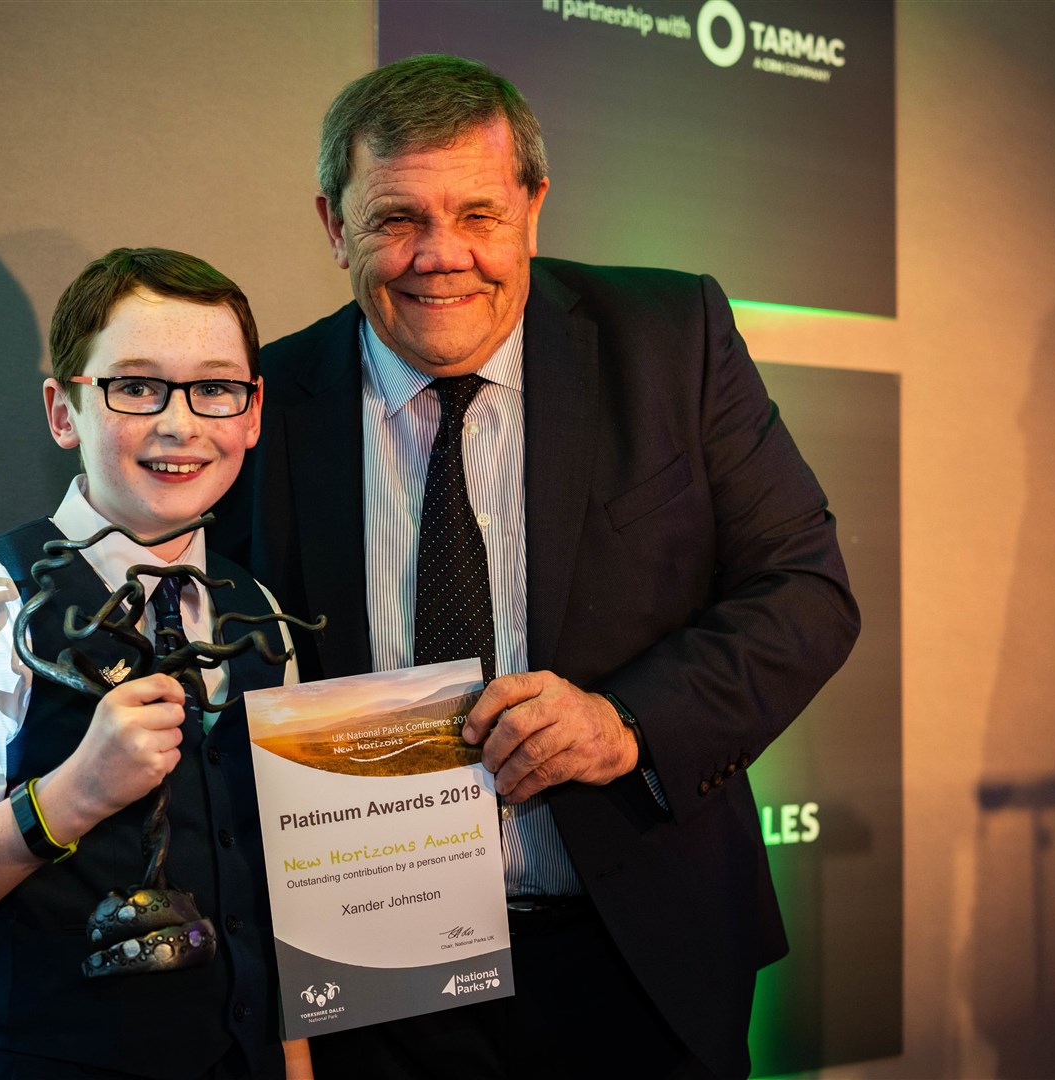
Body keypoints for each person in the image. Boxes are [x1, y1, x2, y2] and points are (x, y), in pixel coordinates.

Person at [212, 55, 860, 1080]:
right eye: (395, 220)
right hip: (374, 974)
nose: (440, 257)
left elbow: (804, 592)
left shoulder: (668, 340)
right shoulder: (260, 403)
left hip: (636, 954)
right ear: (333, 225)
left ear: (532, 206)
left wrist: (626, 723)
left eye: (477, 213)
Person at [0, 248, 312, 1079]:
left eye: (215, 389)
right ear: (63, 410)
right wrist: (73, 794)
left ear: (251, 415)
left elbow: (272, 882)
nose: (178, 425)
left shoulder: (259, 611)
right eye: (136, 387)